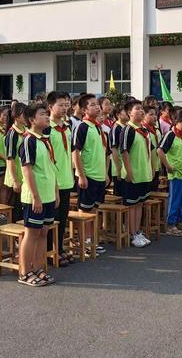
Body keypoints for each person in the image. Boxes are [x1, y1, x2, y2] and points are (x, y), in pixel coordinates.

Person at [18, 102, 59, 287]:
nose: (47, 117)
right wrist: (36, 197)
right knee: (31, 233)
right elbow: (27, 170)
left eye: (47, 113)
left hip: (48, 194)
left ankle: (38, 268)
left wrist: (56, 191)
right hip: (35, 197)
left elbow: (51, 167)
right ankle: (25, 272)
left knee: (43, 232)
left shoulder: (46, 139)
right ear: (32, 119)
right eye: (43, 114)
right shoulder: (29, 140)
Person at [72, 94, 109, 255]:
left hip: (99, 176)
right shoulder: (83, 126)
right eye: (93, 105)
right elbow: (75, 152)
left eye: (97, 104)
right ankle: (83, 242)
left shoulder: (98, 127)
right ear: (84, 109)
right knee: (84, 211)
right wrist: (81, 175)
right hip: (88, 176)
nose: (97, 107)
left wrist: (106, 174)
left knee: (94, 210)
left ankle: (91, 240)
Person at [46, 91, 74, 267]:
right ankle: (49, 251)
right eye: (61, 105)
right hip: (52, 181)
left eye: (66, 105)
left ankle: (60, 248)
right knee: (51, 219)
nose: (64, 108)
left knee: (62, 218)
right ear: (50, 107)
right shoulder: (47, 129)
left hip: (66, 179)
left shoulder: (67, 126)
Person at [120, 100, 154, 248]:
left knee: (140, 203)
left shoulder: (145, 131)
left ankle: (137, 231)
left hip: (143, 174)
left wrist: (151, 170)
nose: (141, 111)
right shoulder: (128, 129)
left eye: (142, 109)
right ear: (129, 113)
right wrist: (128, 171)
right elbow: (124, 151)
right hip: (132, 174)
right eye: (138, 109)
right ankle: (131, 233)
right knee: (132, 205)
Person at [158, 108, 182, 237]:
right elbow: (160, 151)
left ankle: (181, 222)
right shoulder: (171, 134)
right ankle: (171, 224)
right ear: (178, 121)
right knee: (175, 199)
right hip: (176, 173)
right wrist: (168, 166)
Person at [4, 102, 27, 222]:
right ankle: (16, 240)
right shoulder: (12, 134)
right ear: (17, 117)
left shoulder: (26, 130)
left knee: (24, 210)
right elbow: (10, 158)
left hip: (25, 176)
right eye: (25, 114)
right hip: (15, 177)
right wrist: (15, 180)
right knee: (15, 210)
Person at [109, 103, 128, 197]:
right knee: (119, 198)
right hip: (119, 169)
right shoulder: (116, 128)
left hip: (125, 168)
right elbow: (114, 150)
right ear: (118, 115)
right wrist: (119, 169)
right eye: (125, 111)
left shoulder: (127, 127)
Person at [143, 104, 162, 191]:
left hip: (157, 165)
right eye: (151, 114)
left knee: (154, 190)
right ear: (143, 115)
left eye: (155, 114)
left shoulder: (156, 130)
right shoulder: (143, 131)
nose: (154, 117)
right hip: (147, 167)